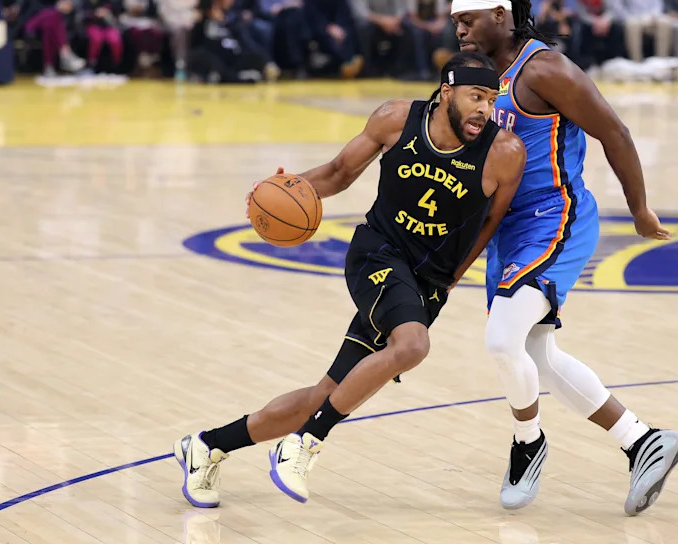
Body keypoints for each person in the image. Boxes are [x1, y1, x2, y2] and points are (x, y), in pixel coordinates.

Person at [173, 52, 527, 506]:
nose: (484, 108)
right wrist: (279, 190)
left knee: (325, 395)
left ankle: (206, 446)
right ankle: (304, 443)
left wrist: (450, 281)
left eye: (491, 99)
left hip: (427, 283)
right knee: (413, 346)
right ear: (446, 94)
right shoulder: (397, 119)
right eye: (475, 96)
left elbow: (487, 227)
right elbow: (339, 174)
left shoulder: (504, 154)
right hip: (376, 254)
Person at [450, 0, 678, 515]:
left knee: (502, 341)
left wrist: (640, 208)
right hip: (505, 228)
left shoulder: (545, 69)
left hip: (555, 218)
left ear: (501, 16)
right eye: (456, 20)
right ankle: (643, 441)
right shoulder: (477, 75)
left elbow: (615, 132)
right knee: (536, 356)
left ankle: (527, 445)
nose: (459, 29)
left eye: (469, 19)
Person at [19, 0, 86, 75]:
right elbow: (33, 7)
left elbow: (65, 0)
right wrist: (57, 7)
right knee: (54, 15)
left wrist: (67, 4)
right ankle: (65, 53)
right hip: (30, 22)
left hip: (50, 22)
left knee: (50, 24)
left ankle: (49, 67)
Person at [304, 0, 363, 78]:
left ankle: (351, 62)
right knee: (325, 37)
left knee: (348, 31)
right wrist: (329, 27)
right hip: (318, 25)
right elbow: (312, 13)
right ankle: (346, 62)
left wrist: (339, 26)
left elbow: (343, 9)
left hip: (338, 23)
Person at [254, 0, 304, 72]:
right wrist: (284, 6)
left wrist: (284, 6)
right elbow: (264, 9)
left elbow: (300, 3)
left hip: (293, 17)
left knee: (293, 22)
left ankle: (296, 63)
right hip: (271, 19)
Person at [572, 0, 626, 67]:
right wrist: (595, 22)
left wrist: (605, 20)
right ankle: (585, 62)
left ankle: (615, 59)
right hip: (587, 22)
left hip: (603, 21)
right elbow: (580, 13)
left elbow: (612, 9)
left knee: (617, 28)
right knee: (580, 29)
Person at [406, 0, 453, 79]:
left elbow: (441, 16)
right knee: (419, 35)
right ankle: (423, 69)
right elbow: (413, 18)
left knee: (446, 33)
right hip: (418, 23)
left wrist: (437, 26)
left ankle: (442, 67)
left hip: (434, 22)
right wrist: (428, 27)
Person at [157, 0, 199, 79]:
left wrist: (190, 18)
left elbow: (196, 9)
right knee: (179, 31)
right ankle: (180, 65)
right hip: (171, 21)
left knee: (187, 30)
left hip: (191, 21)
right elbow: (164, 12)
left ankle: (190, 66)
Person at [79, 0, 123, 70]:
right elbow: (82, 15)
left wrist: (108, 14)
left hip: (108, 27)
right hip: (92, 26)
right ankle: (91, 64)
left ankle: (116, 65)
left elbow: (117, 15)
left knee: (115, 39)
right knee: (96, 38)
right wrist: (95, 14)